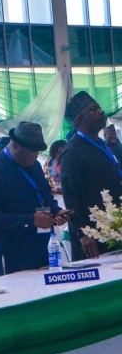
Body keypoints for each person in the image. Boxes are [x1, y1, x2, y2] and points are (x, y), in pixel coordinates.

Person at [0, 122, 70, 277]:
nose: (34, 158)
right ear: (15, 146)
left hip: (41, 246)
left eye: (38, 153)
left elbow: (45, 197)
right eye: (31, 153)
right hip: (11, 252)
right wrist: (30, 220)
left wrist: (57, 211)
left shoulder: (34, 166)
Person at [60, 91, 122, 260]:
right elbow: (70, 194)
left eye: (99, 107)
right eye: (93, 110)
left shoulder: (102, 143)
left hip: (113, 226)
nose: (101, 111)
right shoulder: (73, 151)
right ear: (79, 120)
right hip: (92, 235)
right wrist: (83, 233)